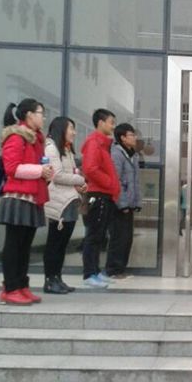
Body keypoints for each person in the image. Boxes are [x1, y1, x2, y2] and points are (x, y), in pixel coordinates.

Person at [0, 99, 52, 306]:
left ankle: (21, 285)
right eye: (41, 113)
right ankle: (10, 288)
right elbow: (11, 168)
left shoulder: (35, 139)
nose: (43, 118)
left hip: (32, 197)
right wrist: (40, 170)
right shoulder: (16, 137)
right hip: (18, 197)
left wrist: (45, 173)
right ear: (29, 115)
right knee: (14, 245)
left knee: (24, 246)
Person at [43, 116, 86, 294]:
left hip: (69, 200)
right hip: (59, 203)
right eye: (71, 129)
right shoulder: (51, 148)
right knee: (55, 243)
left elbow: (71, 173)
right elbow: (57, 175)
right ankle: (50, 280)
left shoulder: (67, 150)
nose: (74, 132)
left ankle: (57, 278)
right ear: (61, 129)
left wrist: (79, 185)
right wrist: (80, 180)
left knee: (62, 244)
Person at [81, 108, 120, 289]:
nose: (113, 126)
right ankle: (89, 274)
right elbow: (90, 168)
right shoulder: (94, 143)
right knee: (93, 236)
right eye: (111, 122)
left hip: (105, 195)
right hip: (98, 196)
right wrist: (109, 183)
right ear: (101, 122)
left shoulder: (103, 144)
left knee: (99, 236)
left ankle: (95, 271)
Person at [106, 123, 142, 280]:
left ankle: (120, 269)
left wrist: (137, 202)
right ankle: (113, 270)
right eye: (131, 135)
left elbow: (136, 182)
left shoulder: (133, 155)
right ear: (122, 138)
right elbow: (116, 181)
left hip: (129, 204)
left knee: (127, 238)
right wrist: (123, 204)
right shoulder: (116, 154)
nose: (135, 138)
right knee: (118, 238)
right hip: (119, 205)